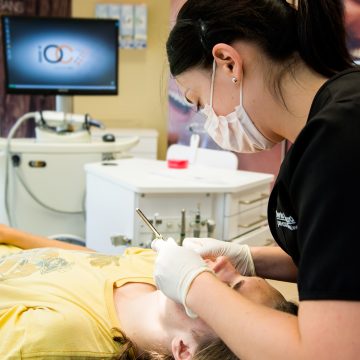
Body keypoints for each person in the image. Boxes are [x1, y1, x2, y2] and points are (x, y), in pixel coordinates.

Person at [152, 0, 360, 359]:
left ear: (228, 62)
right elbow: (343, 258)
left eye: (198, 100)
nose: (208, 118)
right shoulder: (326, 123)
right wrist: (251, 259)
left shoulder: (340, 138)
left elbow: (326, 352)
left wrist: (195, 286)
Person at [0, 225, 297, 360]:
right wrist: (9, 233)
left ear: (183, 350)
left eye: (228, 290)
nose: (223, 262)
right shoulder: (152, 270)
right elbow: (87, 260)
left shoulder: (59, 336)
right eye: (243, 272)